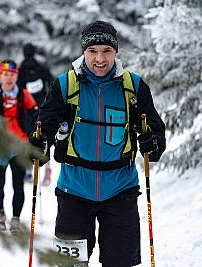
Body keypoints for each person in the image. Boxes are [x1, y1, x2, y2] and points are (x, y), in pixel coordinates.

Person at [29, 21, 166, 266]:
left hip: (120, 191)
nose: (100, 59)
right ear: (84, 52)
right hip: (74, 191)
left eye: (106, 51)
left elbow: (155, 136)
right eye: (93, 51)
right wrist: (39, 143)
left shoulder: (133, 87)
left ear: (116, 52)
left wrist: (151, 142)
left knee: (120, 263)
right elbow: (45, 125)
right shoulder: (65, 85)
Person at [0, 59, 38, 232]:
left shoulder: (23, 94)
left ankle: (15, 220)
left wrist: (36, 132)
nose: (9, 78)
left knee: (18, 185)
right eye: (6, 74)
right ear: (0, 75)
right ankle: (0, 214)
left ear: (17, 76)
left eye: (12, 74)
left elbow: (36, 114)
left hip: (19, 146)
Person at [18, 43, 55, 186]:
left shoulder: (20, 71)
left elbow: (19, 91)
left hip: (27, 110)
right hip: (42, 108)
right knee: (43, 137)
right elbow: (52, 83)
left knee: (28, 137)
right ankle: (47, 171)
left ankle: (28, 171)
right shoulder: (42, 68)